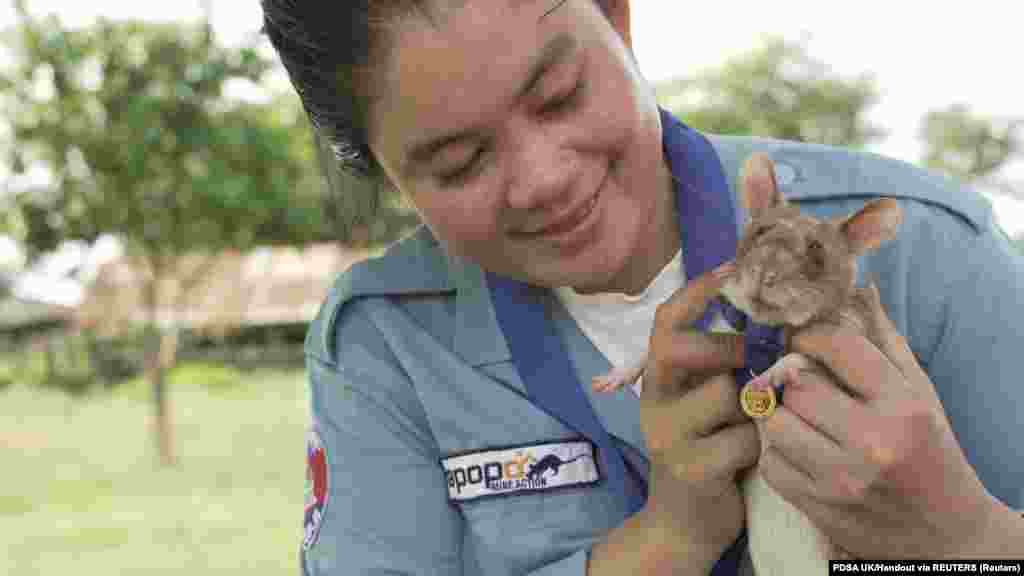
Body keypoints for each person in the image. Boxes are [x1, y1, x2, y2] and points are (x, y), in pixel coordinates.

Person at [262, 0, 1024, 574]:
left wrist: (962, 536)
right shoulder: (385, 341)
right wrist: (672, 535)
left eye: (559, 94)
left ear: (617, 16)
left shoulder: (923, 252)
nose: (546, 180)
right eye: (459, 163)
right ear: (383, 171)